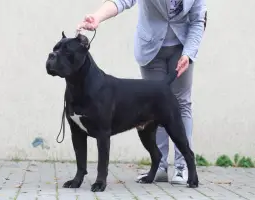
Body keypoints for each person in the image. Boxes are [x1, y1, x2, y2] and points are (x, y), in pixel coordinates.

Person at [77, 0, 207, 185]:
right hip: (151, 46)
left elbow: (197, 19)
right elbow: (122, 1)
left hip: (182, 46)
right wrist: (97, 17)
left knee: (181, 103)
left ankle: (183, 166)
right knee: (153, 108)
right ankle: (160, 165)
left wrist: (188, 53)